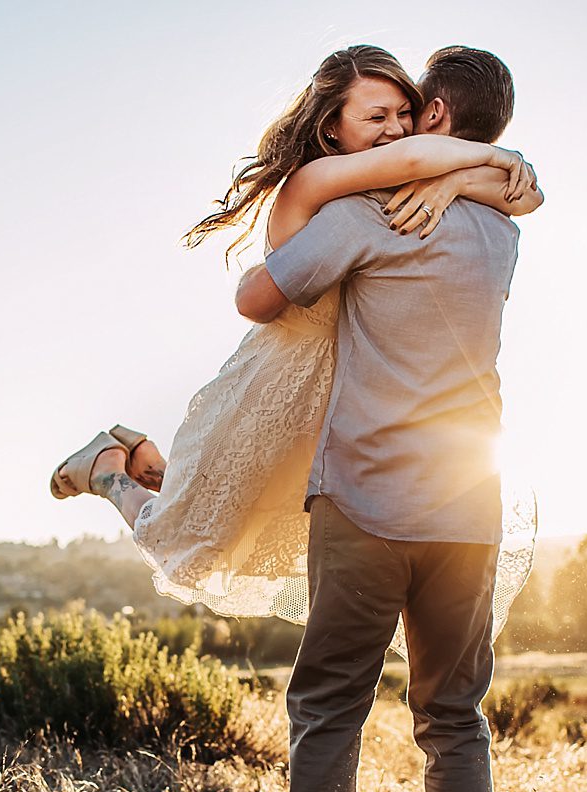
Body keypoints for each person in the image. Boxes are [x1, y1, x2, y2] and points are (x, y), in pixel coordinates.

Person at [48, 45, 541, 658]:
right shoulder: (318, 180)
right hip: (288, 372)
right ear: (331, 124)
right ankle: (109, 473)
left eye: (403, 114)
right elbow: (463, 170)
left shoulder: (395, 182)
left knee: (249, 510)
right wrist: (496, 156)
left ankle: (155, 465)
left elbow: (526, 197)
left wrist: (466, 176)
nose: (396, 131)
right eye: (376, 117)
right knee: (190, 534)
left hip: (344, 386)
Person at [231, 45, 525, 792]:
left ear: (434, 117)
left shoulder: (368, 214)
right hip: (471, 510)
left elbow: (257, 297)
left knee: (328, 707)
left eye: (409, 113)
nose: (398, 130)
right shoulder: (504, 227)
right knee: (453, 713)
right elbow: (516, 184)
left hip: (364, 500)